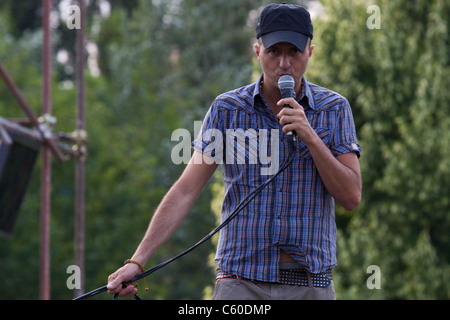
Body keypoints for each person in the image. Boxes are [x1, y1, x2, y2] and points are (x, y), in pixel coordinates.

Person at [107, 3, 362, 300]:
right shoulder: (227, 110)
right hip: (240, 285)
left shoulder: (334, 109)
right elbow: (186, 190)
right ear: (257, 52)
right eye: (273, 51)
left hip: (310, 285)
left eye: (293, 51)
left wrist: (312, 138)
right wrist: (137, 261)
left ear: (310, 52)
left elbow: (351, 197)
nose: (283, 63)